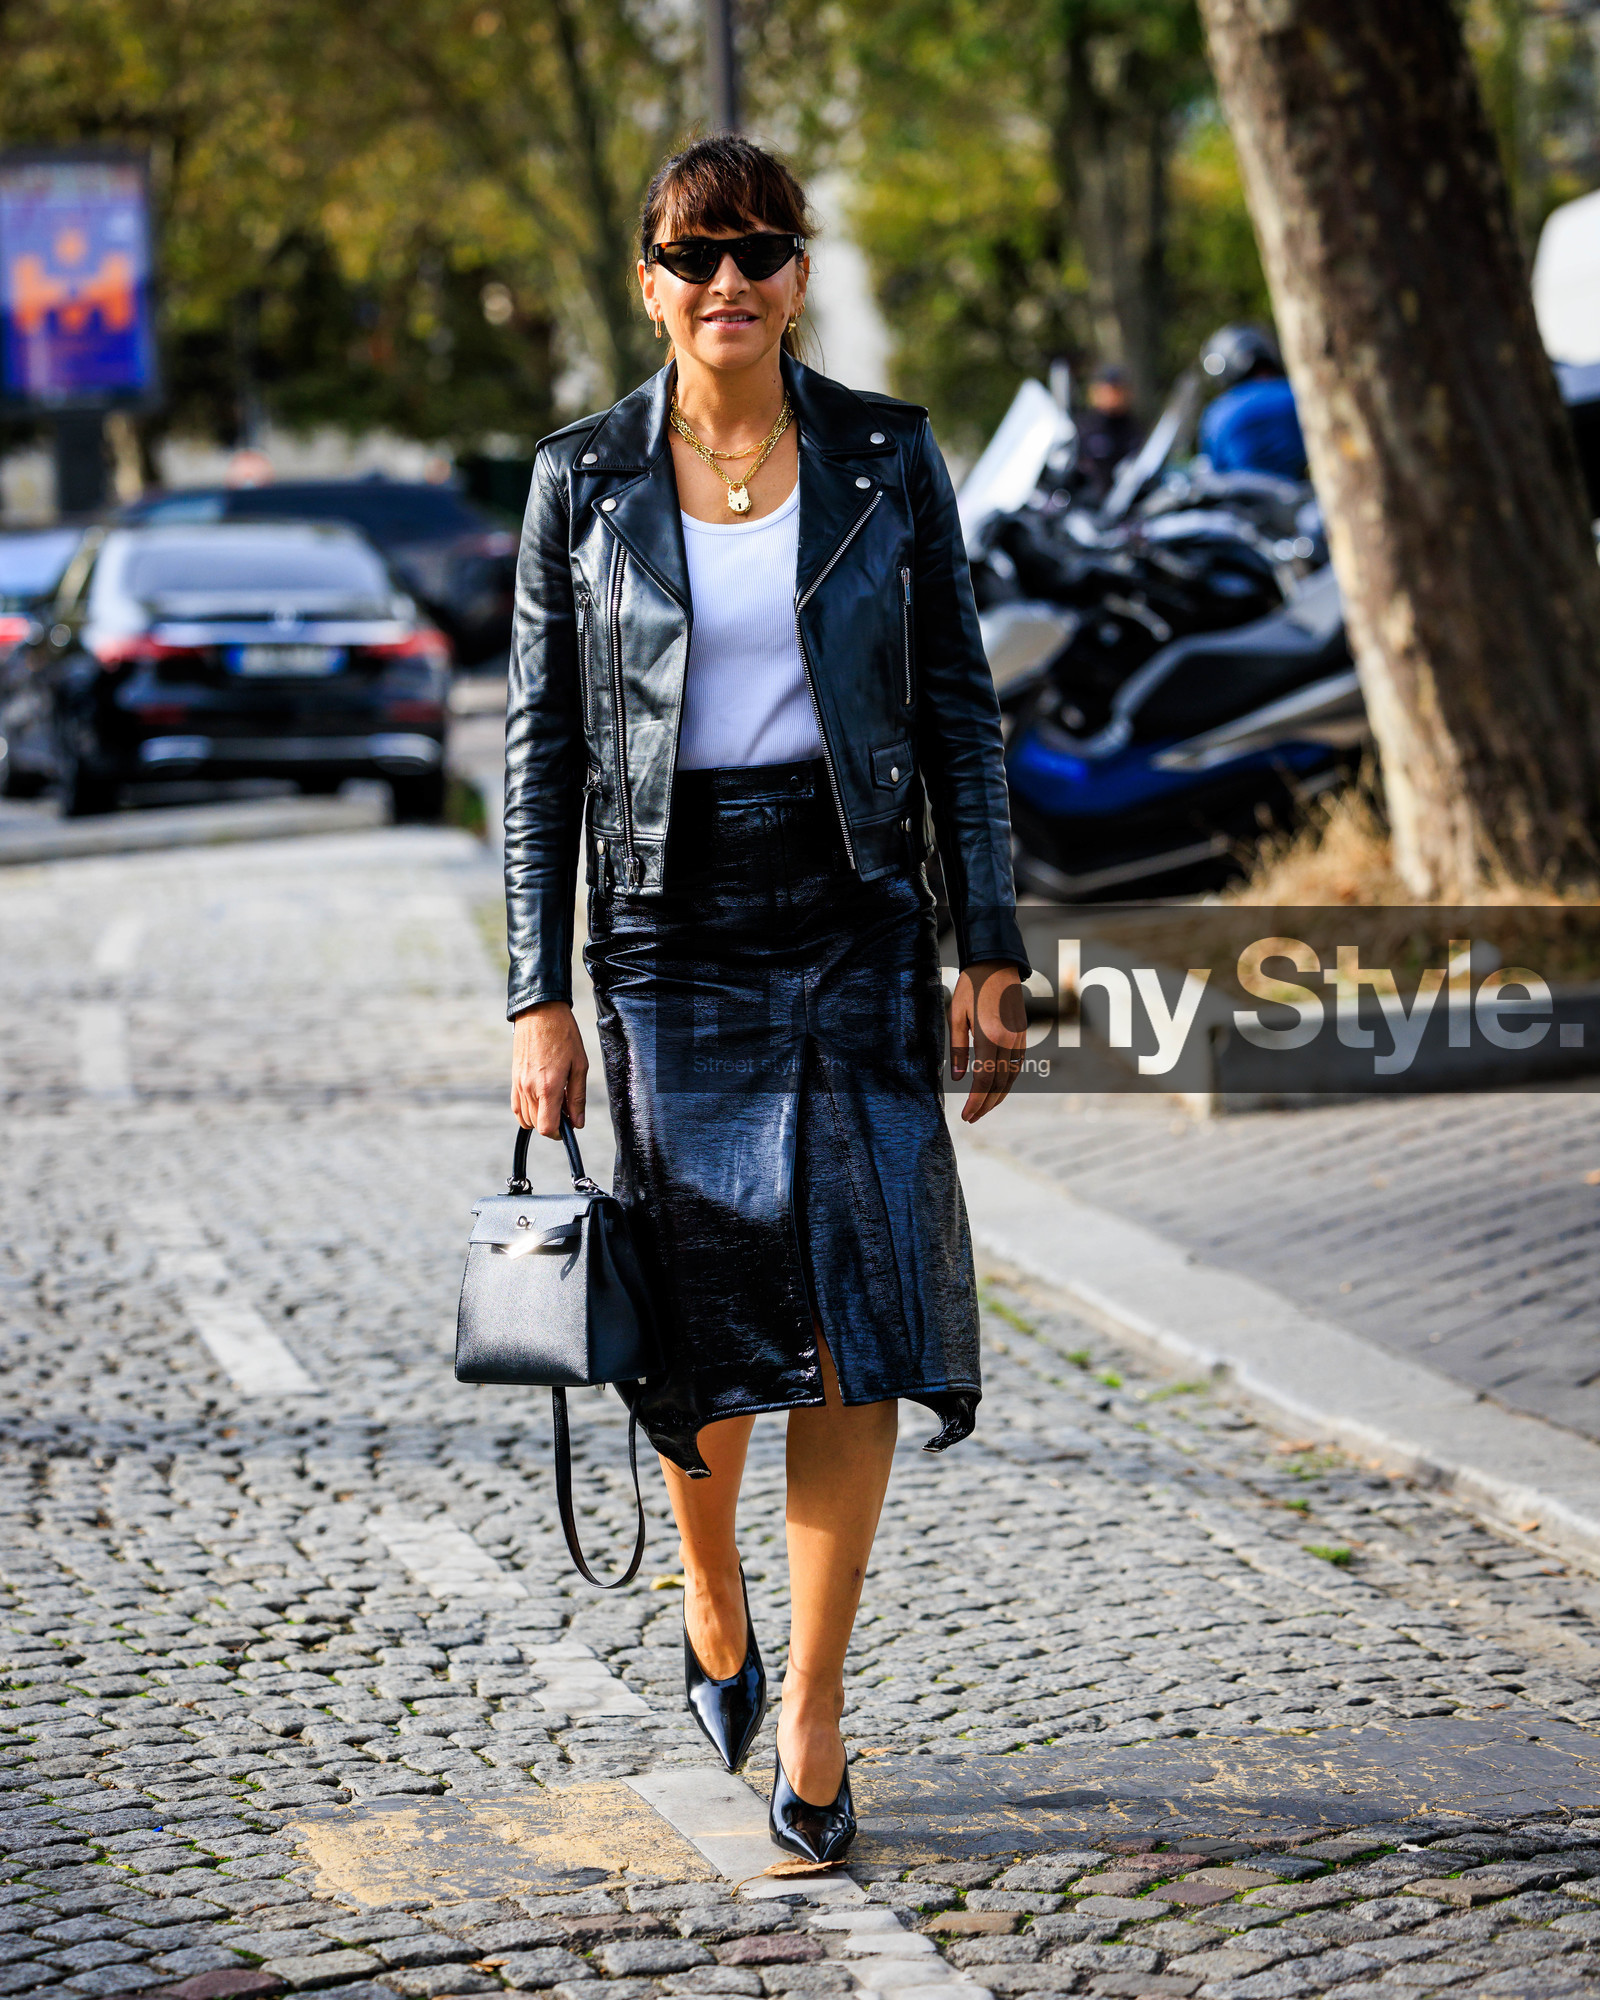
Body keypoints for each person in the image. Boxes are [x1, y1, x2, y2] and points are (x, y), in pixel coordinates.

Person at [503, 134, 1028, 1865]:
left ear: (797, 274)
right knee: (707, 1302)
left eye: (759, 252)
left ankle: (811, 1705)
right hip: (664, 926)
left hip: (858, 905)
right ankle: (708, 1585)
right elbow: (542, 753)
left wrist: (992, 942)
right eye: (693, 256)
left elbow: (957, 708)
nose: (729, 283)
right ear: (649, 284)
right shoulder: (579, 481)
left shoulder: (888, 458)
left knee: (856, 1302)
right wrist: (536, 996)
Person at [1196, 323, 1309, 481]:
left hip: (1247, 502)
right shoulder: (1298, 394)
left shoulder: (1217, 413)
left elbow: (1215, 470)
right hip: (1307, 497)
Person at [1074, 364, 1140, 503]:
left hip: (1128, 502)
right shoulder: (1084, 427)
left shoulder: (1134, 427)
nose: (1113, 396)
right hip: (1092, 504)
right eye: (1108, 390)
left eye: (1117, 390)